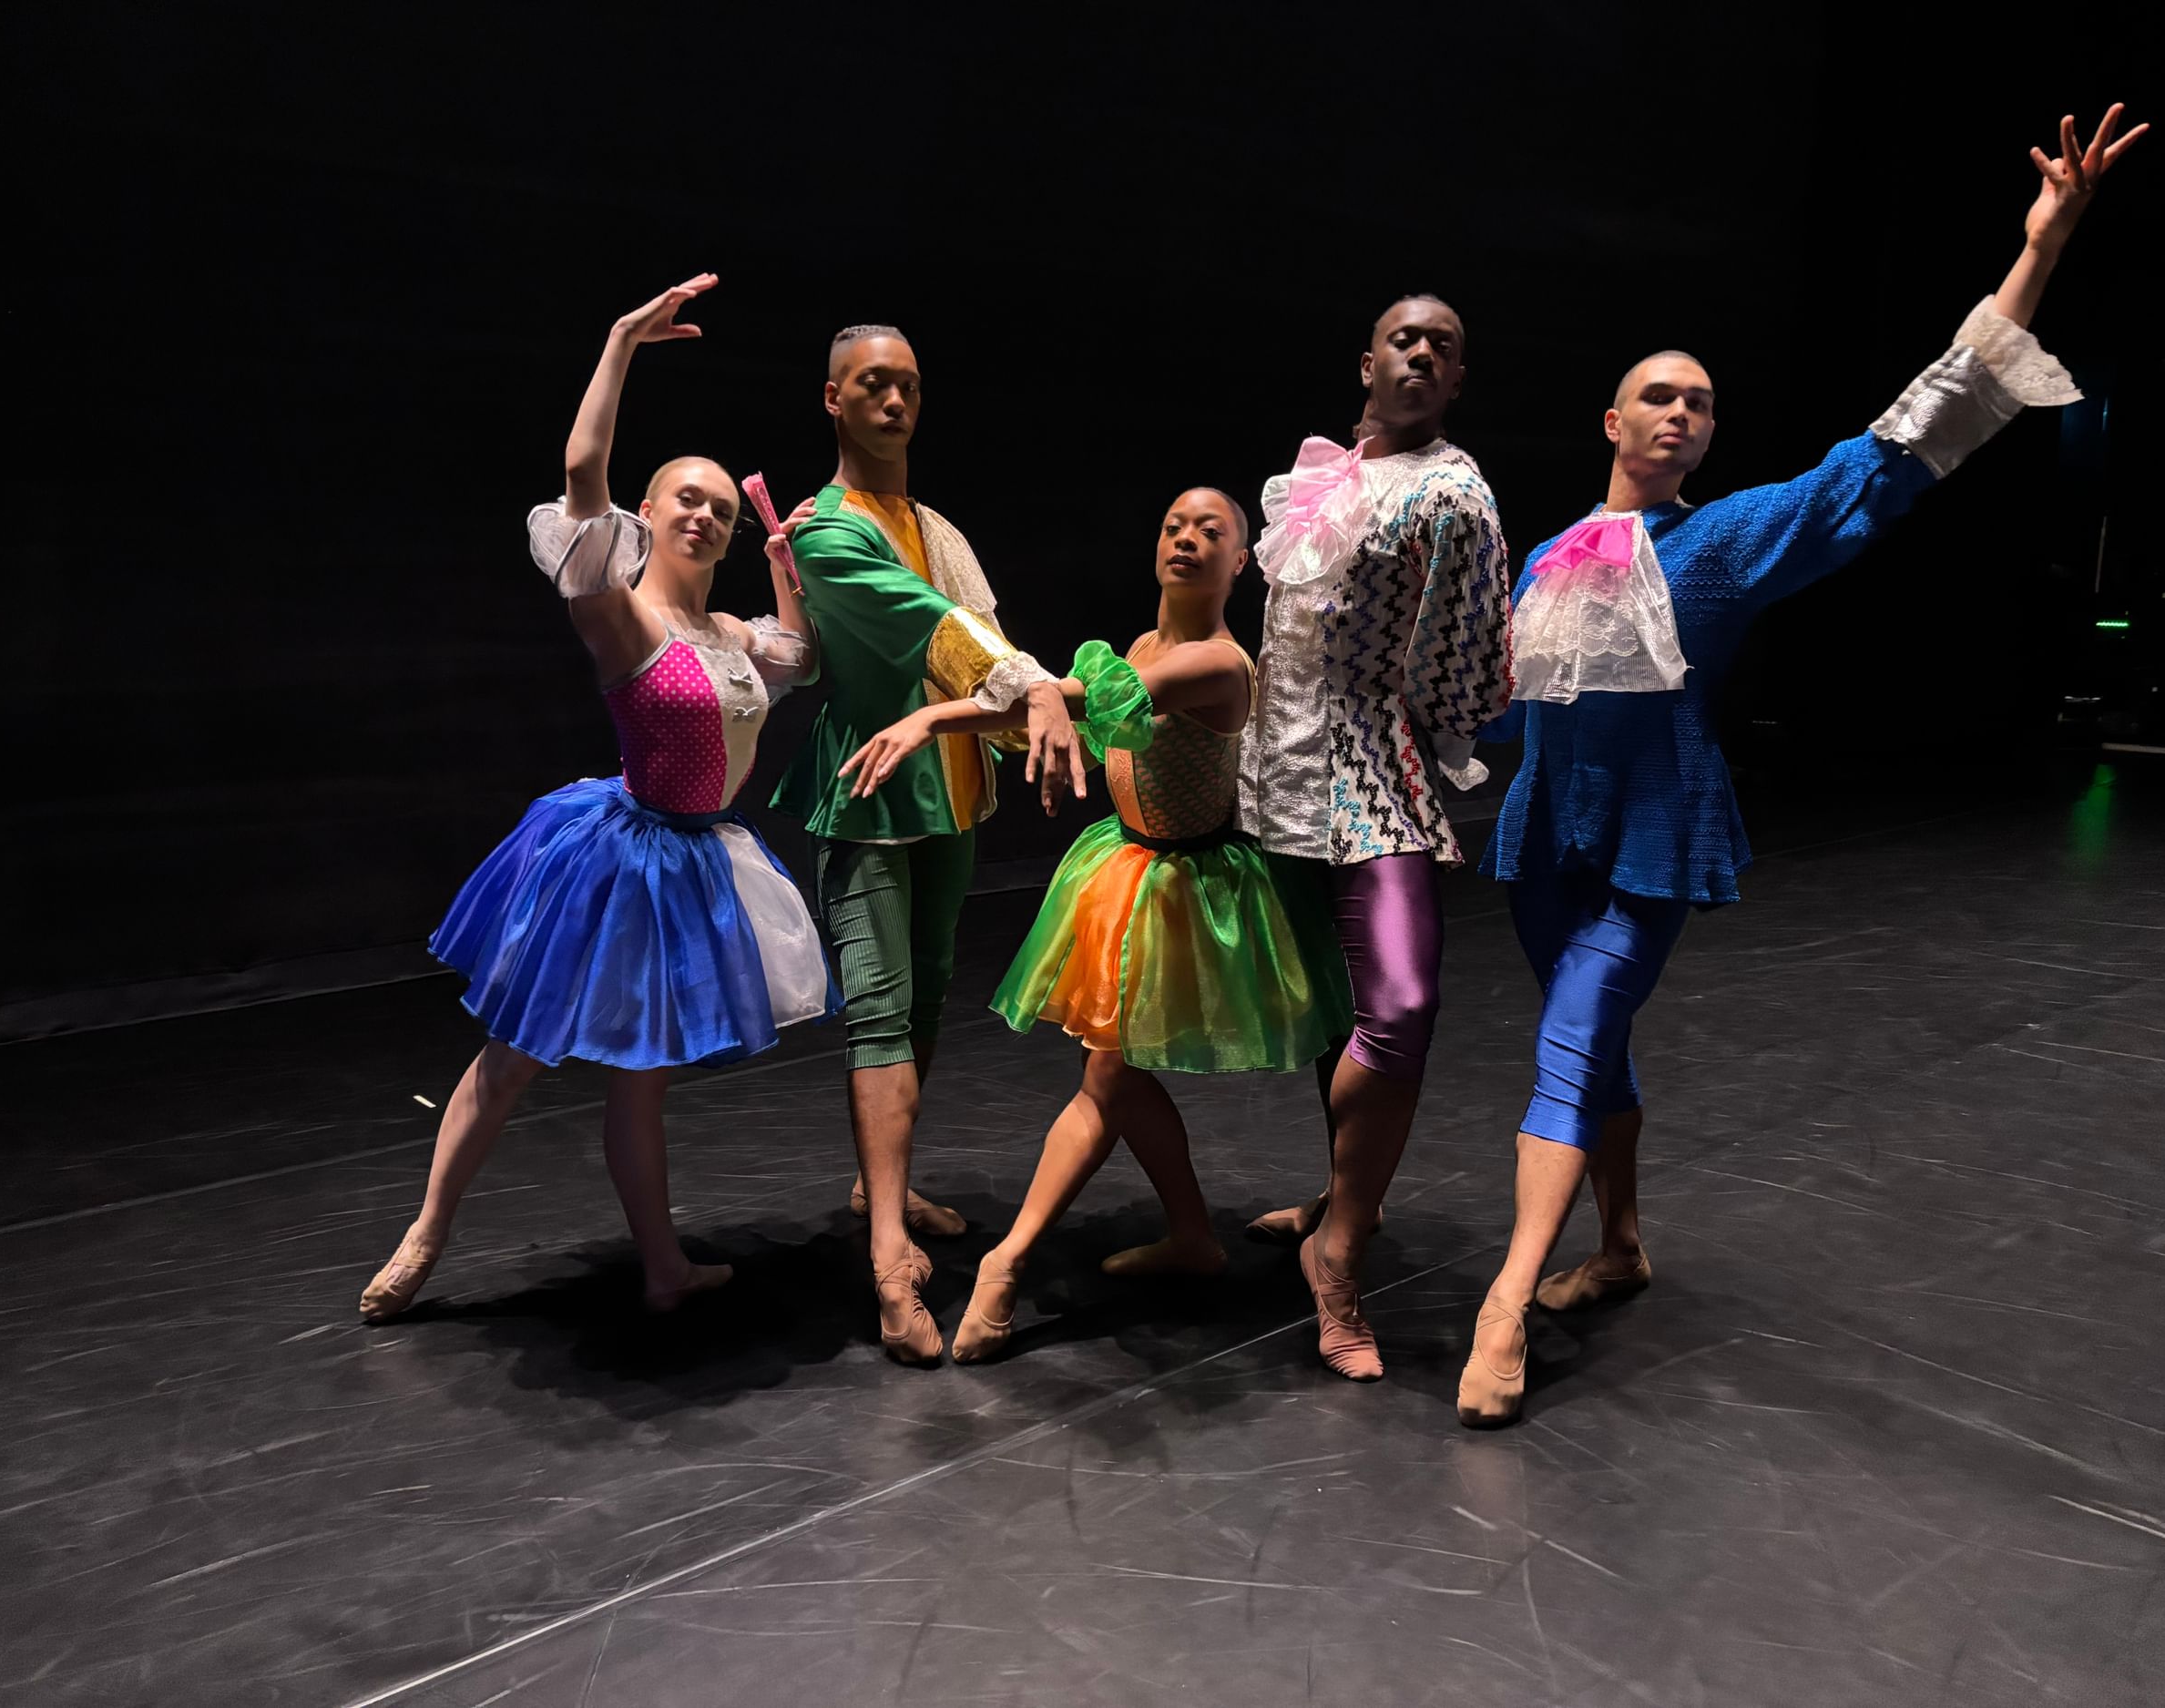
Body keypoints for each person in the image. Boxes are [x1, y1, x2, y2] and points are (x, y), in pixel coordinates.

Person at [1457, 106, 2147, 1427]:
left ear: (1710, 439)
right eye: (1659, 394)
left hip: (1648, 843)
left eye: (1701, 403)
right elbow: (1496, 706)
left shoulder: (1722, 545)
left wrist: (2038, 254)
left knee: (1570, 1042)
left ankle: (1505, 1301)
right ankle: (1623, 1240)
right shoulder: (1546, 559)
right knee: (1590, 1048)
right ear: (1613, 415)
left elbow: (1890, 452)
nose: (1680, 414)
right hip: (1547, 843)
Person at [359, 274, 833, 1322]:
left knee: (644, 1076)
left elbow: (797, 655)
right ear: (650, 517)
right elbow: (580, 474)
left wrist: (783, 558)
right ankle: (426, 1232)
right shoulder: (623, 618)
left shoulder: (736, 639)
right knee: (516, 1054)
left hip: (698, 860)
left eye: (720, 505)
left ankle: (663, 1265)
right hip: (615, 855)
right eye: (687, 501)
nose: (706, 515)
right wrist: (622, 341)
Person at [839, 489, 1353, 1362]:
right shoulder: (1146, 643)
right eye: (1173, 526)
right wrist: (1076, 751)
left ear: (1241, 564)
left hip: (1190, 893)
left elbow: (1079, 696)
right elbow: (1099, 719)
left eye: (1211, 532)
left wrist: (936, 714)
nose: (1187, 540)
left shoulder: (1222, 663)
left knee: (1105, 1081)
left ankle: (1006, 1263)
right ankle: (1192, 1232)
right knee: (1115, 1073)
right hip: (1130, 867)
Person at [768, 324, 1087, 1364]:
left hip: (948, 794)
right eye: (872, 384)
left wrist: (1034, 697)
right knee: (878, 1015)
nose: (893, 401)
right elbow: (933, 631)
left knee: (920, 999)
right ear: (833, 399)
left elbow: (973, 623)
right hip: (869, 799)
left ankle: (883, 1185)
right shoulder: (827, 534)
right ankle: (884, 1253)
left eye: (906, 385)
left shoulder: (933, 523)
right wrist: (1035, 687)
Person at [1234, 296, 1517, 1380]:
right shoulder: (1309, 478)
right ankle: (1343, 1196)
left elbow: (1467, 654)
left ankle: (1339, 1250)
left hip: (1368, 769)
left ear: (1454, 381)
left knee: (1398, 1005)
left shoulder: (1454, 494)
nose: (1423, 353)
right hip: (1278, 772)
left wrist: (1428, 730)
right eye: (1407, 338)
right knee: (1327, 1011)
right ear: (1367, 360)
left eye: (1445, 346)